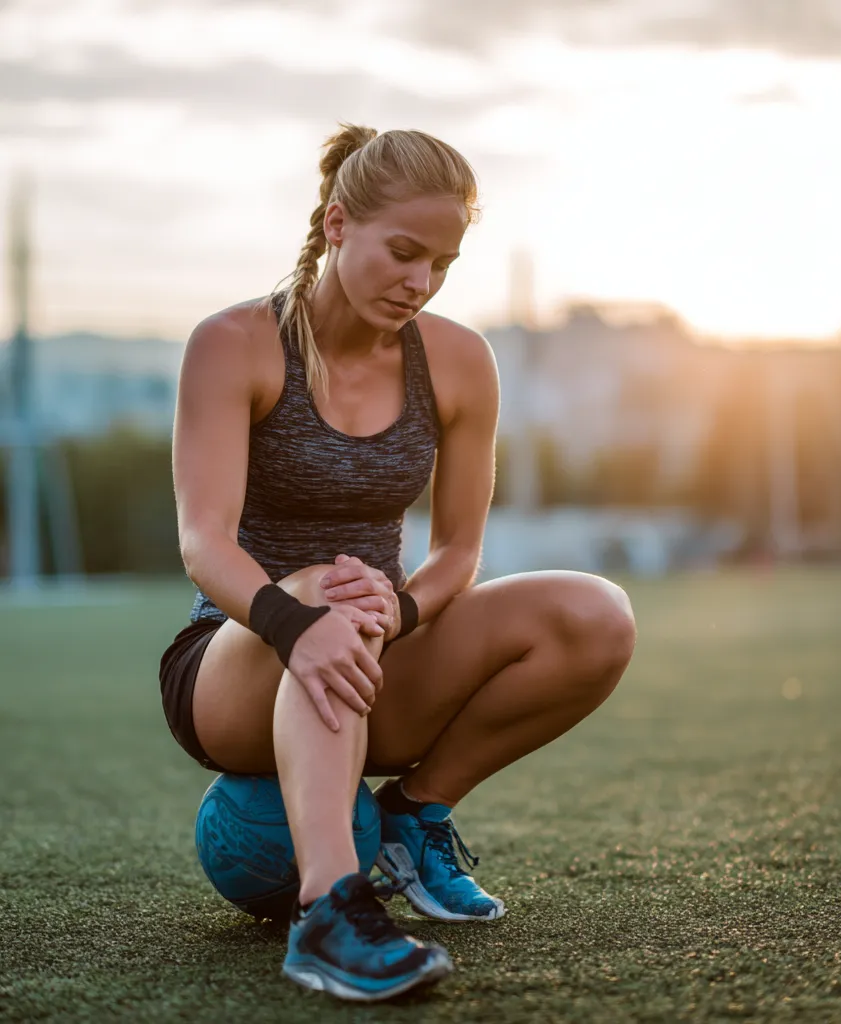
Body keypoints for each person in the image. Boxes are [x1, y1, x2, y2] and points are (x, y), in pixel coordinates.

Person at [159, 123, 637, 1002]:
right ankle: (329, 915)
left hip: (376, 642)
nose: (420, 283)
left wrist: (401, 615)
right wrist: (296, 621)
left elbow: (459, 551)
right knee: (331, 598)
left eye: (442, 265)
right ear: (338, 224)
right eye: (405, 252)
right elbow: (204, 544)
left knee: (595, 614)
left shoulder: (458, 361)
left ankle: (414, 820)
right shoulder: (234, 345)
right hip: (234, 657)